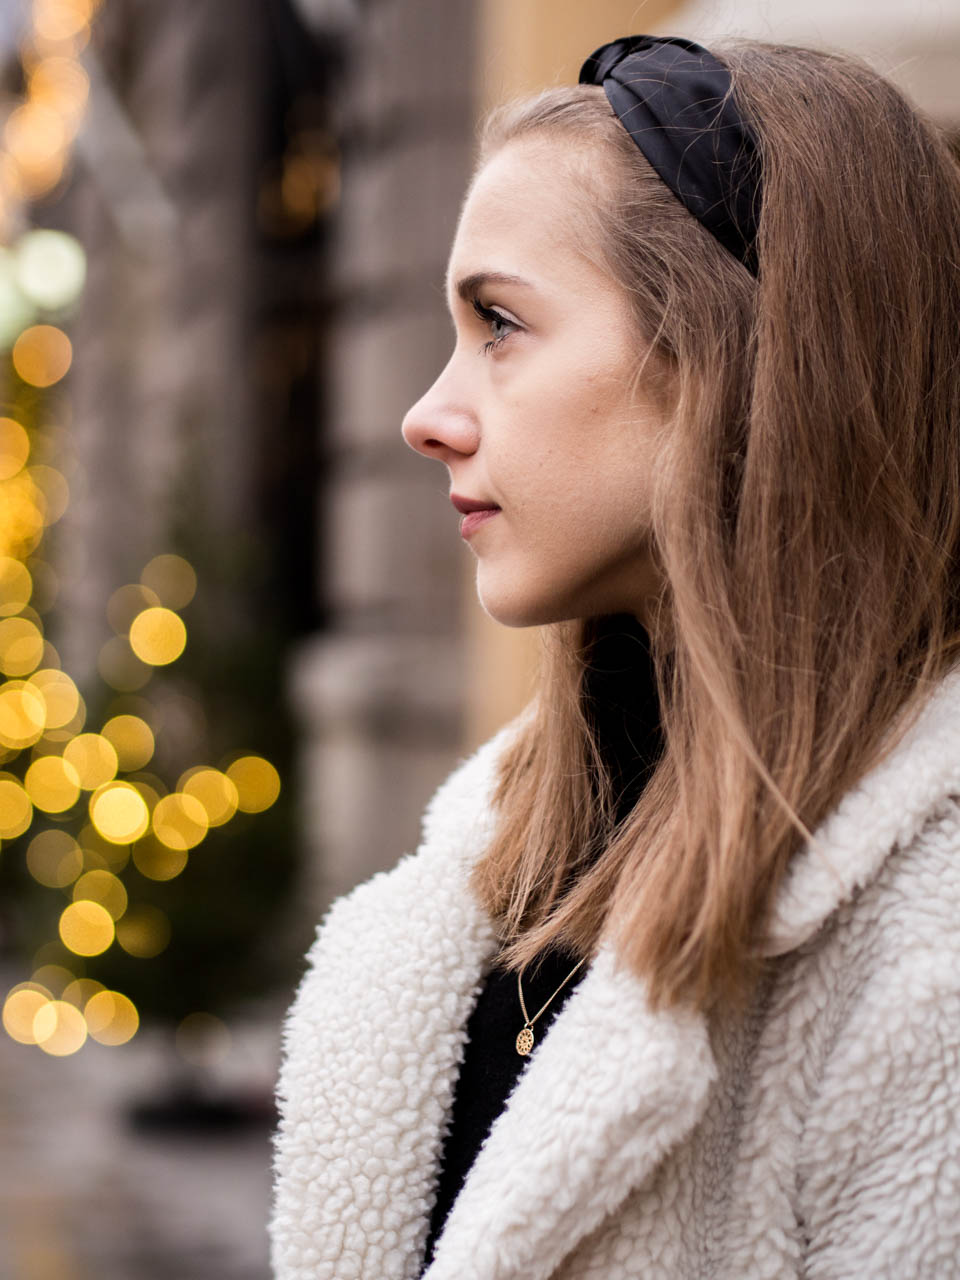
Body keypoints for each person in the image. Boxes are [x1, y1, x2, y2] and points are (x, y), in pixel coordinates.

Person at [270, 33, 960, 1280]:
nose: (427, 415)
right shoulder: (484, 873)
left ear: (735, 357)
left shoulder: (928, 950)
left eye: (499, 322)